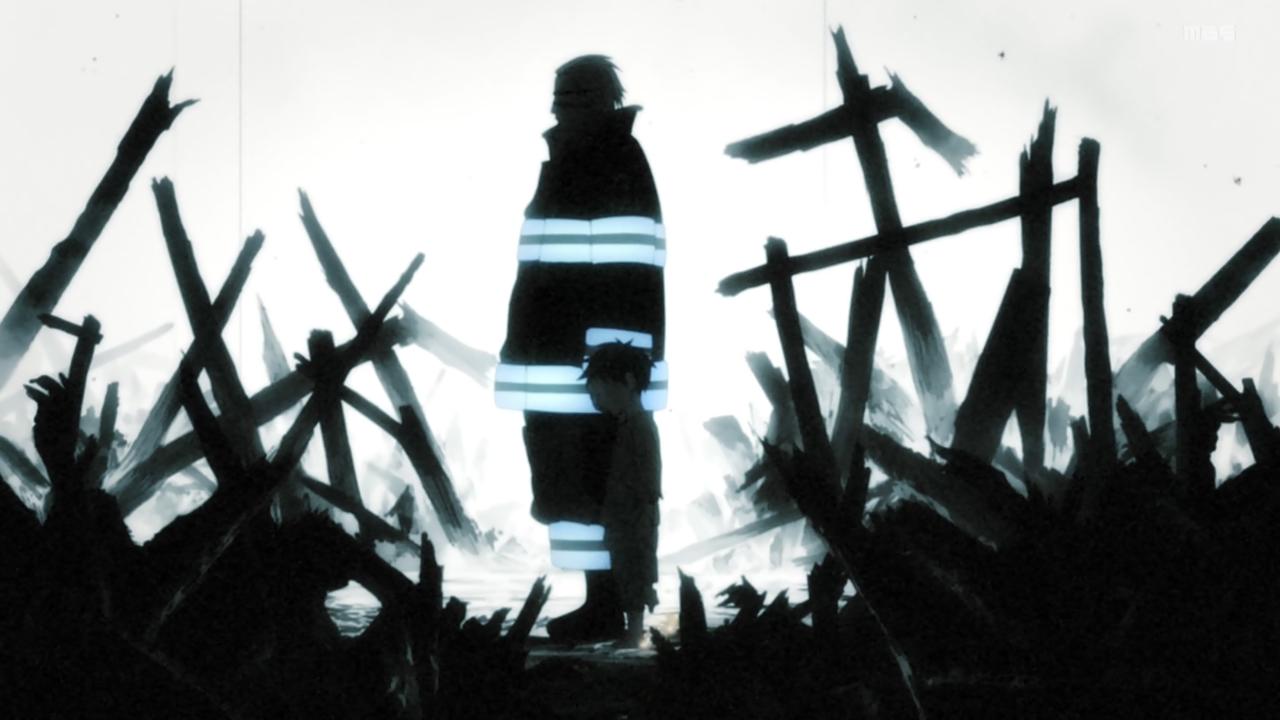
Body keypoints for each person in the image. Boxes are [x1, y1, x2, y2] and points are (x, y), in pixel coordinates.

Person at [495, 55, 666, 644]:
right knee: (571, 484)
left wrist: (614, 364)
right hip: (561, 359)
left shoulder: (611, 159)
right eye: (558, 95)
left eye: (570, 95)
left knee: (602, 485)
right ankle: (601, 604)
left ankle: (610, 605)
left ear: (600, 100)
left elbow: (628, 267)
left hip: (589, 366)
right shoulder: (578, 159)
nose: (557, 106)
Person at [582, 342, 662, 647]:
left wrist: (635, 505)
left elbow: (648, 477)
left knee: (634, 569)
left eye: (600, 393)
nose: (597, 402)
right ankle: (633, 628)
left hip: (635, 514)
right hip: (624, 514)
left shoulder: (640, 426)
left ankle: (635, 630)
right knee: (626, 567)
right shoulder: (630, 425)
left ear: (628, 382)